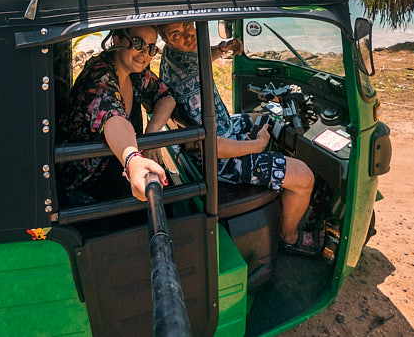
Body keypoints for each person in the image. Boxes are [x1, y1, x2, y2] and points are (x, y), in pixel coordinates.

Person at [158, 21, 319, 256]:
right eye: (176, 33)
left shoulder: (175, 55)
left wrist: (222, 49)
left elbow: (200, 57)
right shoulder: (188, 87)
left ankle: (280, 184)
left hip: (222, 130)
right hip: (220, 160)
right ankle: (289, 237)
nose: (187, 34)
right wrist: (256, 145)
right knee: (304, 177)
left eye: (186, 25)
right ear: (166, 39)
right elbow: (212, 147)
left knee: (268, 120)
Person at [58, 24, 175, 203]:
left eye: (151, 48)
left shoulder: (136, 74)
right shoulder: (98, 77)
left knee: (167, 192)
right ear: (117, 40)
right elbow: (112, 118)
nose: (145, 53)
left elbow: (166, 97)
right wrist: (133, 160)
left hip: (115, 167)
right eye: (138, 43)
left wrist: (152, 133)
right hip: (88, 180)